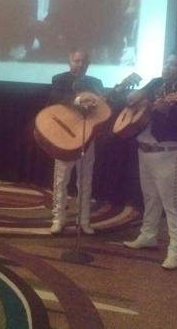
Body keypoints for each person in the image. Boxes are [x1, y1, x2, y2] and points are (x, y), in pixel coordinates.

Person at [123, 50, 177, 270]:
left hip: (172, 153)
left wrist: (169, 112)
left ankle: (176, 250)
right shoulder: (157, 83)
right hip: (146, 150)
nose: (167, 67)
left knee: (173, 204)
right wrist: (133, 96)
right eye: (166, 63)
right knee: (150, 198)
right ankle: (148, 235)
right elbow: (136, 101)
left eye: (174, 64)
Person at [48, 49, 104, 235]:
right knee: (61, 180)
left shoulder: (96, 83)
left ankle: (84, 220)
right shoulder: (59, 80)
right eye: (77, 61)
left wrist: (101, 103)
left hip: (87, 138)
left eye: (84, 61)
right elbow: (55, 99)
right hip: (64, 138)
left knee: (86, 181)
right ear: (69, 61)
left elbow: (102, 111)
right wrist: (79, 99)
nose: (80, 65)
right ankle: (58, 218)